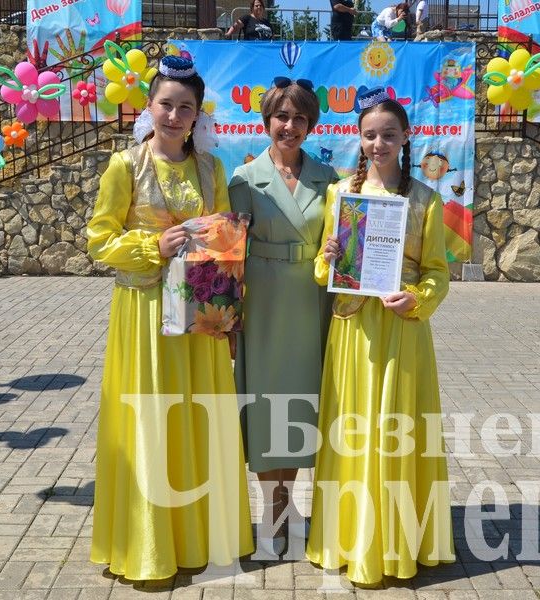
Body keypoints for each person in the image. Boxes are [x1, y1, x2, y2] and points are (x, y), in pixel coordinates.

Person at [88, 55, 254, 581]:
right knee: (151, 419)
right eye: (166, 104)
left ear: (198, 114)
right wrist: (151, 245)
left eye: (186, 107)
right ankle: (148, 542)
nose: (174, 115)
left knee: (196, 417)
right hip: (144, 311)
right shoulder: (126, 166)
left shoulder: (212, 168)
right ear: (150, 106)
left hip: (200, 312)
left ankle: (200, 535)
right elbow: (99, 239)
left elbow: (227, 243)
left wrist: (229, 315)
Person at [306, 87, 455, 585]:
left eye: (389, 134)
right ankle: (349, 538)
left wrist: (418, 299)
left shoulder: (426, 200)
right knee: (353, 432)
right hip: (352, 331)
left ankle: (395, 544)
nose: (378, 143)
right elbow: (321, 271)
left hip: (401, 331)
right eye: (370, 134)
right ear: (359, 137)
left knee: (395, 433)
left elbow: (437, 271)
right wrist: (327, 256)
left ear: (406, 136)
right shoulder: (340, 196)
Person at [228, 77, 338, 557]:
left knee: (298, 404)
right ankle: (273, 505)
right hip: (263, 300)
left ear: (311, 124)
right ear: (266, 120)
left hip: (312, 300)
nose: (289, 126)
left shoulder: (331, 180)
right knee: (264, 402)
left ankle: (285, 500)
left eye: (299, 118)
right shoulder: (243, 178)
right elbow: (227, 253)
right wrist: (226, 316)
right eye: (281, 117)